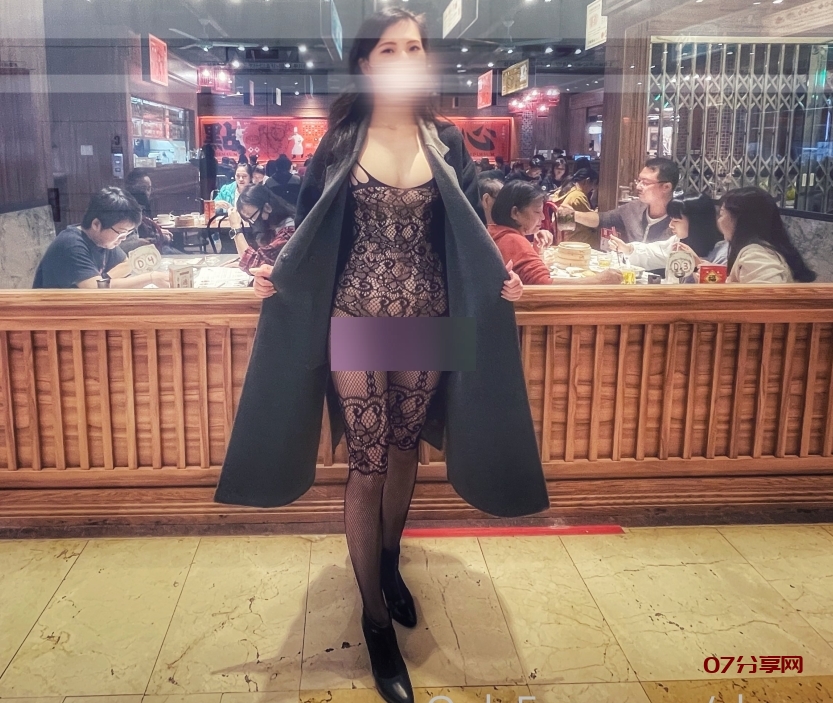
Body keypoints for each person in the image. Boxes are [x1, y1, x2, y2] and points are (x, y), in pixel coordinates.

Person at [213, 10, 548, 703]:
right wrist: (274, 272)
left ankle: (389, 562)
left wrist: (503, 279)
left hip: (429, 314)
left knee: (403, 450)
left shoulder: (445, 139)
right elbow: (306, 228)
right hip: (356, 315)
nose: (403, 57)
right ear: (366, 62)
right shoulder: (341, 140)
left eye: (413, 47)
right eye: (389, 48)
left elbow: (469, 230)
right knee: (366, 463)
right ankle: (373, 620)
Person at [33, 187, 171, 289]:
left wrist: (104, 280)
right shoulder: (71, 244)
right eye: (121, 232)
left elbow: (126, 264)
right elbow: (95, 290)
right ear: (96, 224)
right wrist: (150, 277)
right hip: (54, 315)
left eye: (127, 233)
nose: (123, 238)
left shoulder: (103, 241)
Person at [487, 181, 621, 286]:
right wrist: (598, 280)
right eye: (537, 212)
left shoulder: (493, 231)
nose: (543, 217)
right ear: (515, 213)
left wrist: (534, 250)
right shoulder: (514, 240)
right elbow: (544, 285)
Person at [559, 157, 678, 244]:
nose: (638, 186)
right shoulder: (633, 209)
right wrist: (573, 215)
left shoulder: (681, 219)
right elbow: (602, 219)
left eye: (645, 183)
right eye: (639, 181)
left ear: (666, 187)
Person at [608, 194, 726, 276]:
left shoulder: (722, 251)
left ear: (696, 222)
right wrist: (628, 248)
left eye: (676, 221)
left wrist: (697, 262)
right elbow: (653, 253)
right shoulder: (679, 241)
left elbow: (718, 285)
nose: (670, 225)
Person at [717, 187, 816, 284]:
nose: (718, 221)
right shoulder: (764, 249)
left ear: (740, 220)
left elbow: (769, 292)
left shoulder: (755, 256)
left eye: (721, 214)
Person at [227, 184, 296, 274]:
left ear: (267, 208)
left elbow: (255, 266)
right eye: (248, 219)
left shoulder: (288, 232)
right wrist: (240, 263)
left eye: (252, 216)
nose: (253, 222)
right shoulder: (275, 227)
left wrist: (236, 228)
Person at [123, 169, 182, 255]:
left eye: (149, 188)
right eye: (142, 188)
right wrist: (160, 237)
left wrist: (157, 232)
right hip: (147, 254)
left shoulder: (142, 206)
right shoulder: (128, 210)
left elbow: (144, 231)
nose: (146, 192)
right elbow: (132, 243)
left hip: (156, 248)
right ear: (131, 189)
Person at [549, 167, 600, 248]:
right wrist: (597, 210)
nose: (592, 190)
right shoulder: (577, 196)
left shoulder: (564, 191)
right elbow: (592, 223)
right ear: (587, 181)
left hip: (563, 238)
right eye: (593, 186)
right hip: (576, 240)